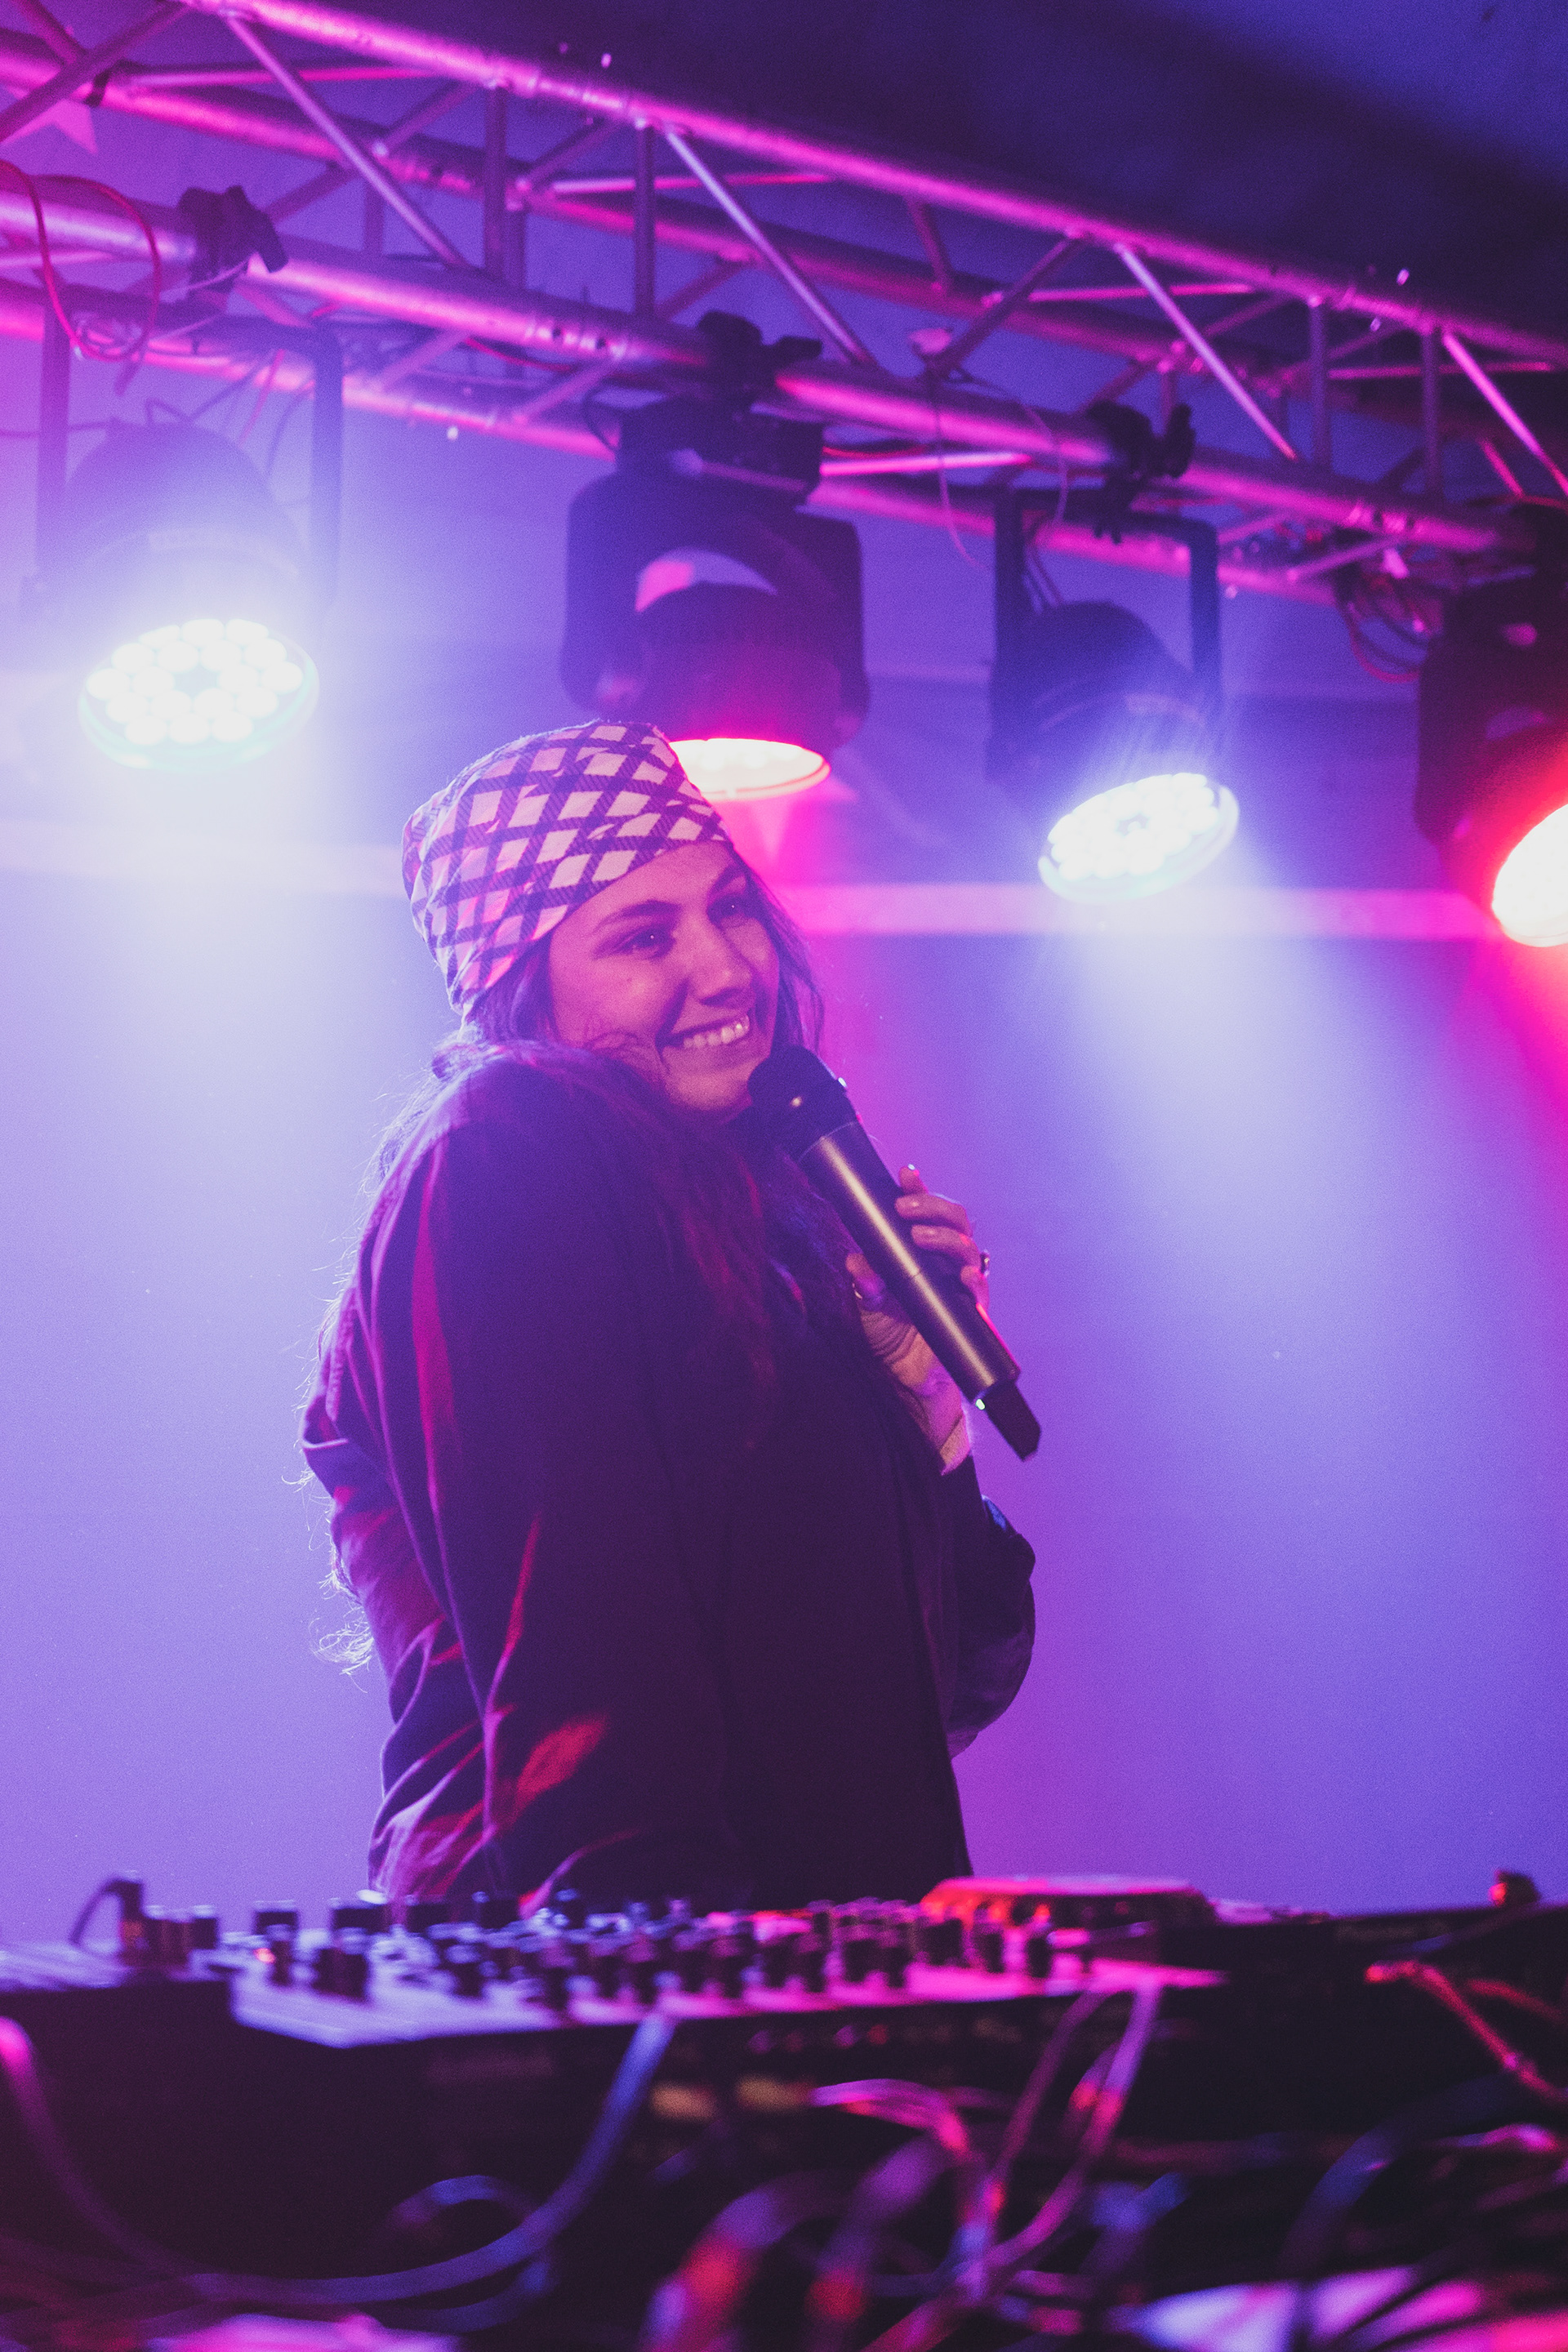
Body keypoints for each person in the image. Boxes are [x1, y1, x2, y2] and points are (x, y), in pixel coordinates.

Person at [303, 719, 1036, 1913]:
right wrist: (659, 1984)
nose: (727, 968)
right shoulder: (503, 1154)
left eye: (729, 909)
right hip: (622, 1956)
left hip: (814, 1947)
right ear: (519, 985)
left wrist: (923, 1402)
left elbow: (943, 1683)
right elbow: (580, 1661)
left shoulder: (766, 1216)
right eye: (645, 937)